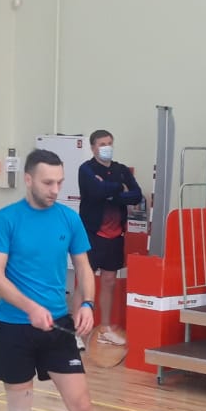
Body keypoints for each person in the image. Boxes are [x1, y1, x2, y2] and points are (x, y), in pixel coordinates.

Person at [0, 148, 141, 411]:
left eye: (59, 182)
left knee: (82, 404)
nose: (55, 189)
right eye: (47, 182)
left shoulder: (69, 219)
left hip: (58, 327)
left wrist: (87, 304)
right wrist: (30, 308)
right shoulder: (5, 220)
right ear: (28, 180)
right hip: (15, 328)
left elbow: (83, 266)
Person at [76, 129, 144, 346]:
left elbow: (136, 195)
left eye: (109, 143)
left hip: (115, 235)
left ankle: (105, 329)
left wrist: (111, 193)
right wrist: (118, 190)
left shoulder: (121, 170)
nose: (107, 147)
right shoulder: (86, 169)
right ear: (93, 147)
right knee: (84, 281)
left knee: (109, 281)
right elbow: (95, 192)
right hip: (91, 233)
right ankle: (77, 333)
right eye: (102, 144)